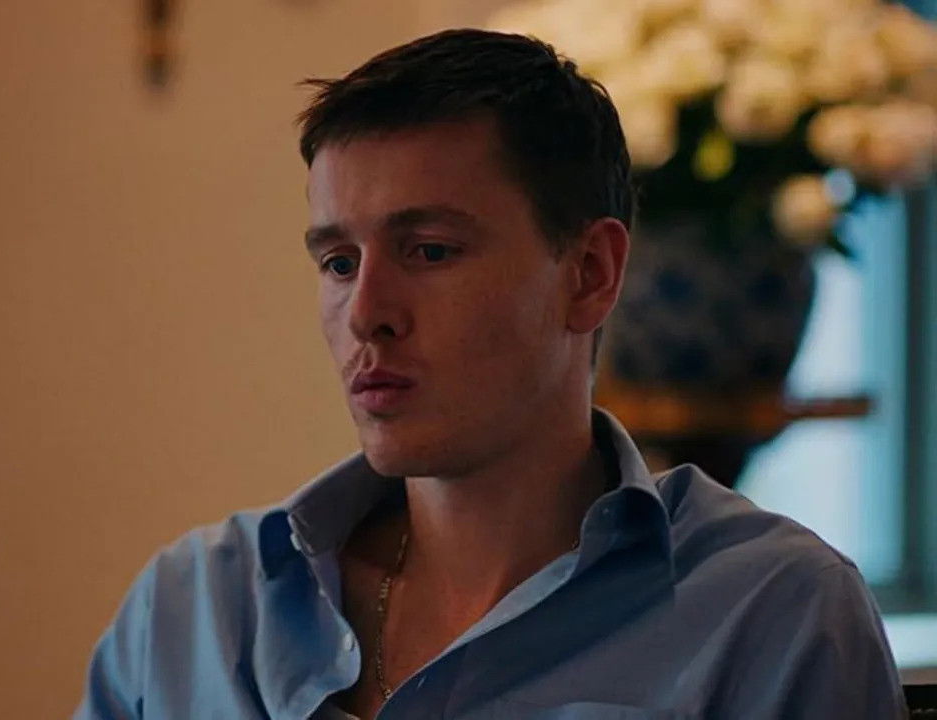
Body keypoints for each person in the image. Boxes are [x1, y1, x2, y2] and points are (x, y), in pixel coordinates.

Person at [75, 29, 906, 719]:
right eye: (338, 262)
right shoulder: (194, 607)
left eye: (430, 251)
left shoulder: (770, 612)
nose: (366, 314)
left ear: (590, 274)